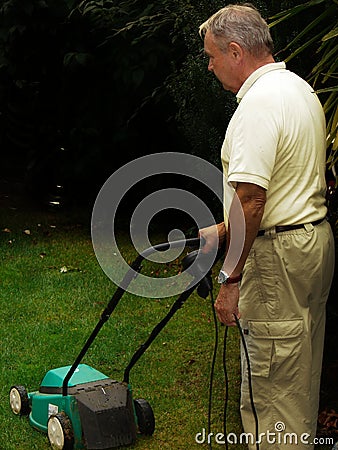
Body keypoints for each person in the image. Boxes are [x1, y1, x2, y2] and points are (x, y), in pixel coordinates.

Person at [198, 4, 335, 449]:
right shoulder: (298, 90)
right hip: (311, 241)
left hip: (276, 258)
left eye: (212, 55)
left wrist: (230, 278)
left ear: (235, 51)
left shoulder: (257, 105)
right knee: (298, 377)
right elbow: (285, 187)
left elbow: (253, 198)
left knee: (272, 390)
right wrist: (221, 231)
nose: (210, 65)